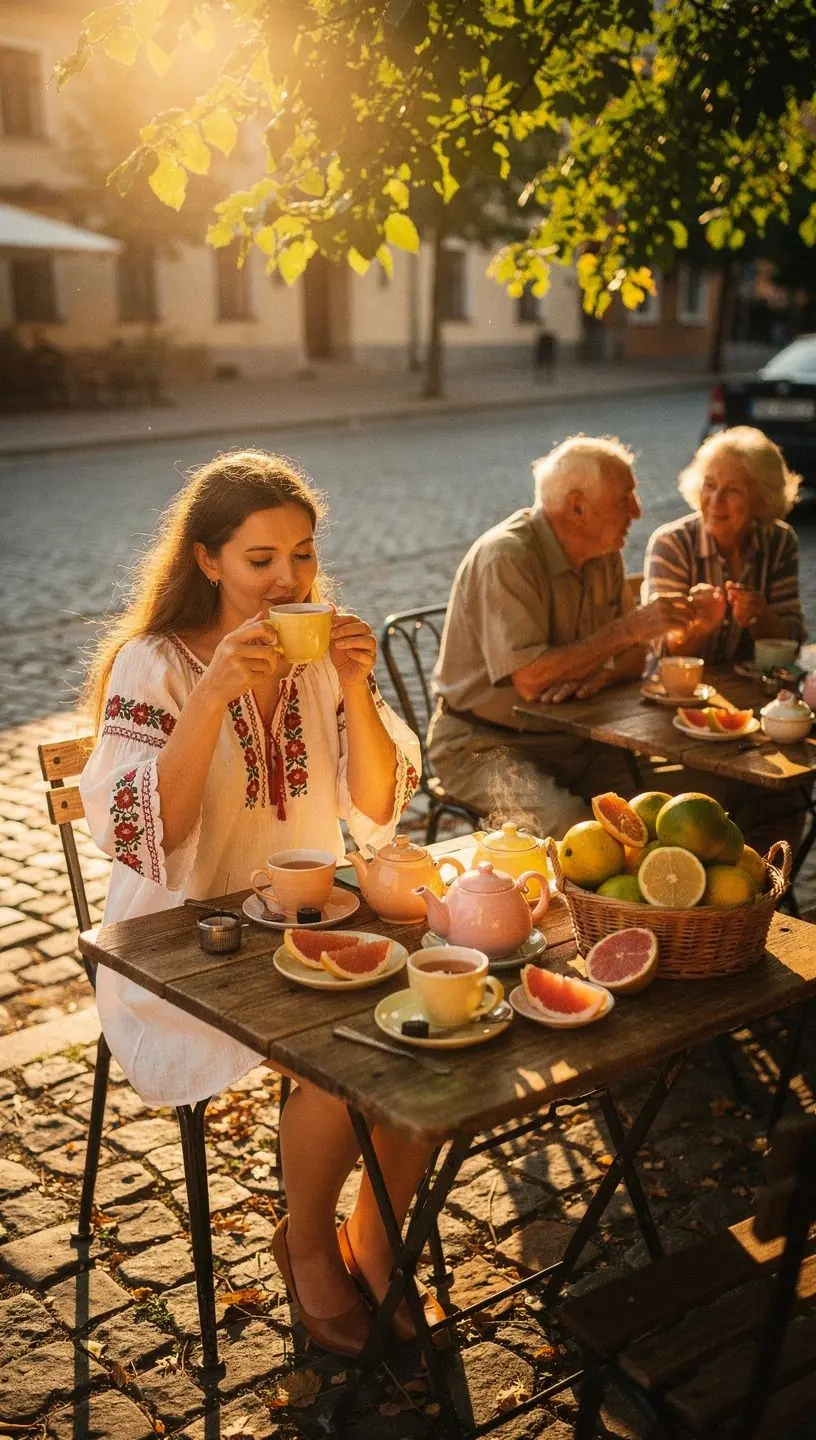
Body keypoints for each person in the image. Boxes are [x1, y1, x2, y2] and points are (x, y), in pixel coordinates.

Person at [79, 449, 434, 1359]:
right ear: (206, 559)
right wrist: (209, 695)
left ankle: (381, 1245)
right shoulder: (151, 665)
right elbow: (148, 838)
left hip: (310, 921)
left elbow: (375, 803)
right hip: (183, 946)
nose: (288, 579)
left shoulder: (318, 654)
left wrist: (354, 686)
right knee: (341, 1055)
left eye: (303, 556)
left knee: (427, 1026)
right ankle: (307, 1245)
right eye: (260, 559)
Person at [427, 435, 692, 836]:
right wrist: (628, 630)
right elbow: (533, 680)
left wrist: (599, 673)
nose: (637, 511)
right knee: (578, 832)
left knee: (682, 812)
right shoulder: (506, 556)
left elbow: (634, 658)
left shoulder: (604, 551)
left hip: (578, 739)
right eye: (625, 499)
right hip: (482, 747)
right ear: (577, 507)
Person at [643, 426, 805, 665]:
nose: (715, 500)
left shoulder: (778, 541)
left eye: (733, 490)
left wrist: (761, 618)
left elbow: (794, 641)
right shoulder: (672, 544)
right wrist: (700, 626)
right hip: (679, 693)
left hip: (752, 693)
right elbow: (661, 650)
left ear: (761, 500)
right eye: (709, 485)